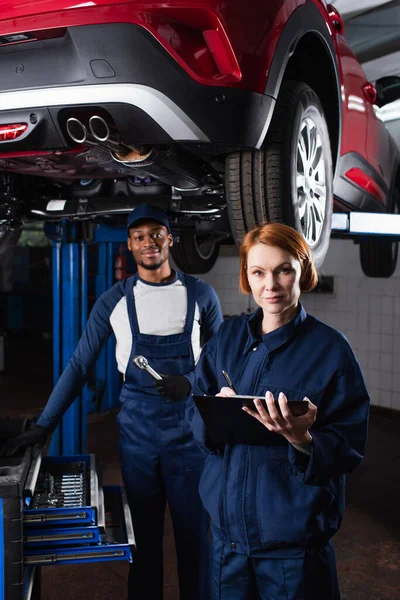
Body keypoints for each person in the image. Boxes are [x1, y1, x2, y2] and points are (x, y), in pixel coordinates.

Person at [9, 204, 223, 600]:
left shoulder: (202, 295)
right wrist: (45, 422)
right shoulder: (114, 301)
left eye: (156, 233)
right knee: (141, 540)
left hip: (191, 434)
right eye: (140, 236)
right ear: (129, 244)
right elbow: (78, 365)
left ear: (170, 238)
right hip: (138, 437)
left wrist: (191, 382)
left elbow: (225, 364)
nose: (149, 242)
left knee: (196, 538)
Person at [186, 222, 370, 600]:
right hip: (227, 544)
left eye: (283, 269)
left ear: (302, 270)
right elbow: (194, 408)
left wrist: (303, 440)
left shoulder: (331, 351)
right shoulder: (228, 338)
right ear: (247, 277)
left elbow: (350, 444)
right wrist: (216, 414)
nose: (270, 284)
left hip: (292, 551)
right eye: (258, 272)